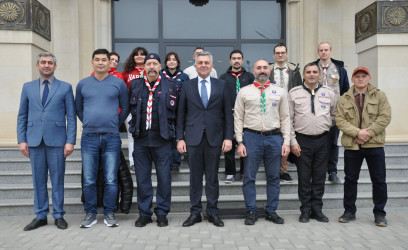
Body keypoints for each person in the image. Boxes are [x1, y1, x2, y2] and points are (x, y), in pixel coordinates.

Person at [17, 52, 76, 231]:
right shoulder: (27, 87)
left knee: (57, 180)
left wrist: (70, 141)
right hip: (34, 140)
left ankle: (58, 215)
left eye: (50, 63)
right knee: (38, 180)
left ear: (55, 66)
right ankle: (41, 215)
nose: (46, 65)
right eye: (43, 62)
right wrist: (21, 140)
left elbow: (71, 117)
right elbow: (22, 115)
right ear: (37, 65)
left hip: (58, 141)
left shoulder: (65, 87)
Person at [176, 51, 233, 227]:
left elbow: (228, 115)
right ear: (195, 65)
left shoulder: (221, 84)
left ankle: (213, 212)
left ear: (212, 66)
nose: (203, 65)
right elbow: (180, 114)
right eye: (200, 62)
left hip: (214, 139)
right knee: (194, 178)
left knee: (212, 178)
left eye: (206, 63)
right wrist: (180, 138)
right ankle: (195, 213)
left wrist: (228, 137)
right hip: (192, 138)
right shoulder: (187, 85)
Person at [75, 49, 129, 228]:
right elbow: (79, 109)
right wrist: (90, 122)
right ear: (92, 62)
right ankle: (90, 213)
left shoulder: (118, 83)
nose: (100, 63)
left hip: (111, 137)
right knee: (89, 179)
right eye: (97, 60)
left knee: (111, 178)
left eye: (103, 60)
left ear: (109, 63)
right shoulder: (83, 84)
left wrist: (114, 123)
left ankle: (109, 213)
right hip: (89, 137)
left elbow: (125, 107)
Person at [234, 59, 290, 226]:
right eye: (259, 68)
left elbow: (285, 117)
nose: (262, 70)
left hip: (274, 138)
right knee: (249, 177)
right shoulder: (244, 92)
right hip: (251, 138)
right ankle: (251, 210)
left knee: (273, 177)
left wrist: (286, 141)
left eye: (265, 67)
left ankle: (271, 210)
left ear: (269, 70)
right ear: (254, 70)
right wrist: (239, 141)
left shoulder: (279, 92)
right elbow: (238, 117)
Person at [336, 66, 391, 227]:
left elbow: (385, 116)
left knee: (379, 180)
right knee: (350, 180)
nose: (360, 79)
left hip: (374, 144)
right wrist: (357, 133)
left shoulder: (380, 95)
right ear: (352, 79)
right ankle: (349, 211)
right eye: (357, 76)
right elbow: (339, 120)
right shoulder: (344, 98)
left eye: (363, 76)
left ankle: (380, 214)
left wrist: (368, 134)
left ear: (369, 78)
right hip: (352, 145)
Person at [128, 53, 178, 227]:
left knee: (164, 179)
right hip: (141, 140)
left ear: (160, 67)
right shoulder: (135, 85)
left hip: (162, 141)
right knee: (142, 179)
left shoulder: (171, 86)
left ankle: (162, 213)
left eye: (154, 64)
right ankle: (144, 213)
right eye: (148, 64)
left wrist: (179, 138)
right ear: (144, 67)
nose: (151, 67)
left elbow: (178, 115)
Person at [288, 62, 337, 223]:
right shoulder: (294, 93)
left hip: (323, 140)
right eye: (308, 72)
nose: (311, 74)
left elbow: (334, 115)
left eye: (315, 72)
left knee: (319, 176)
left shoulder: (329, 93)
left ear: (320, 75)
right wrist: (293, 141)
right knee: (304, 176)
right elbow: (288, 119)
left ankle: (317, 209)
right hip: (302, 141)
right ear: (303, 75)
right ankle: (305, 210)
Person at [313, 42, 350, 184]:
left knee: (333, 143)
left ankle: (332, 171)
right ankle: (317, 171)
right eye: (321, 50)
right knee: (318, 142)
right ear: (318, 52)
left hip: (334, 112)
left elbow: (346, 90)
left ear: (331, 51)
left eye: (326, 50)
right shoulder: (312, 67)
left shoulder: (339, 69)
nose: (324, 52)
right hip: (316, 111)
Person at [269, 43, 303, 183]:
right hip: (272, 107)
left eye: (283, 52)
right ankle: (272, 169)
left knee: (286, 137)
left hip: (290, 107)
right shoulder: (269, 69)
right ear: (274, 55)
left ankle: (283, 170)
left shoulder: (294, 70)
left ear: (287, 54)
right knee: (274, 138)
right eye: (278, 53)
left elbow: (300, 87)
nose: (280, 55)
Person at [219, 49, 254, 183]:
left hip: (246, 117)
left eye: (239, 58)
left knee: (245, 144)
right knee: (229, 145)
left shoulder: (249, 76)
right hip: (229, 116)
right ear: (230, 61)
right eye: (234, 58)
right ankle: (230, 172)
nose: (236, 61)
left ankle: (244, 172)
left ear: (242, 60)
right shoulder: (223, 77)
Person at [162, 52, 189, 172]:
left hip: (179, 110)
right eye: (169, 60)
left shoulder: (184, 77)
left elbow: (188, 94)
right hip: (164, 111)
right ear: (166, 62)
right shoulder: (161, 75)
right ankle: (166, 161)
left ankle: (176, 163)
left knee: (177, 136)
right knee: (165, 136)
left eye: (174, 59)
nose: (171, 61)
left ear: (177, 62)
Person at [122, 47, 148, 170]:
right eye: (136, 55)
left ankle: (146, 160)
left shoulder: (150, 70)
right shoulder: (127, 72)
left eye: (142, 55)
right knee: (131, 135)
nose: (139, 57)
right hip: (131, 108)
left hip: (146, 108)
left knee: (147, 134)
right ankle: (133, 162)